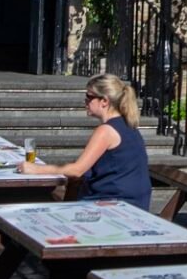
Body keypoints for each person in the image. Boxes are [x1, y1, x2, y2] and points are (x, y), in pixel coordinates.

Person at [16, 73, 151, 209]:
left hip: (113, 205)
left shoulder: (106, 131)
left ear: (104, 101)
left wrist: (36, 169)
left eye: (89, 97)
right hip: (133, 203)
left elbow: (77, 170)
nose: (85, 101)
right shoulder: (127, 125)